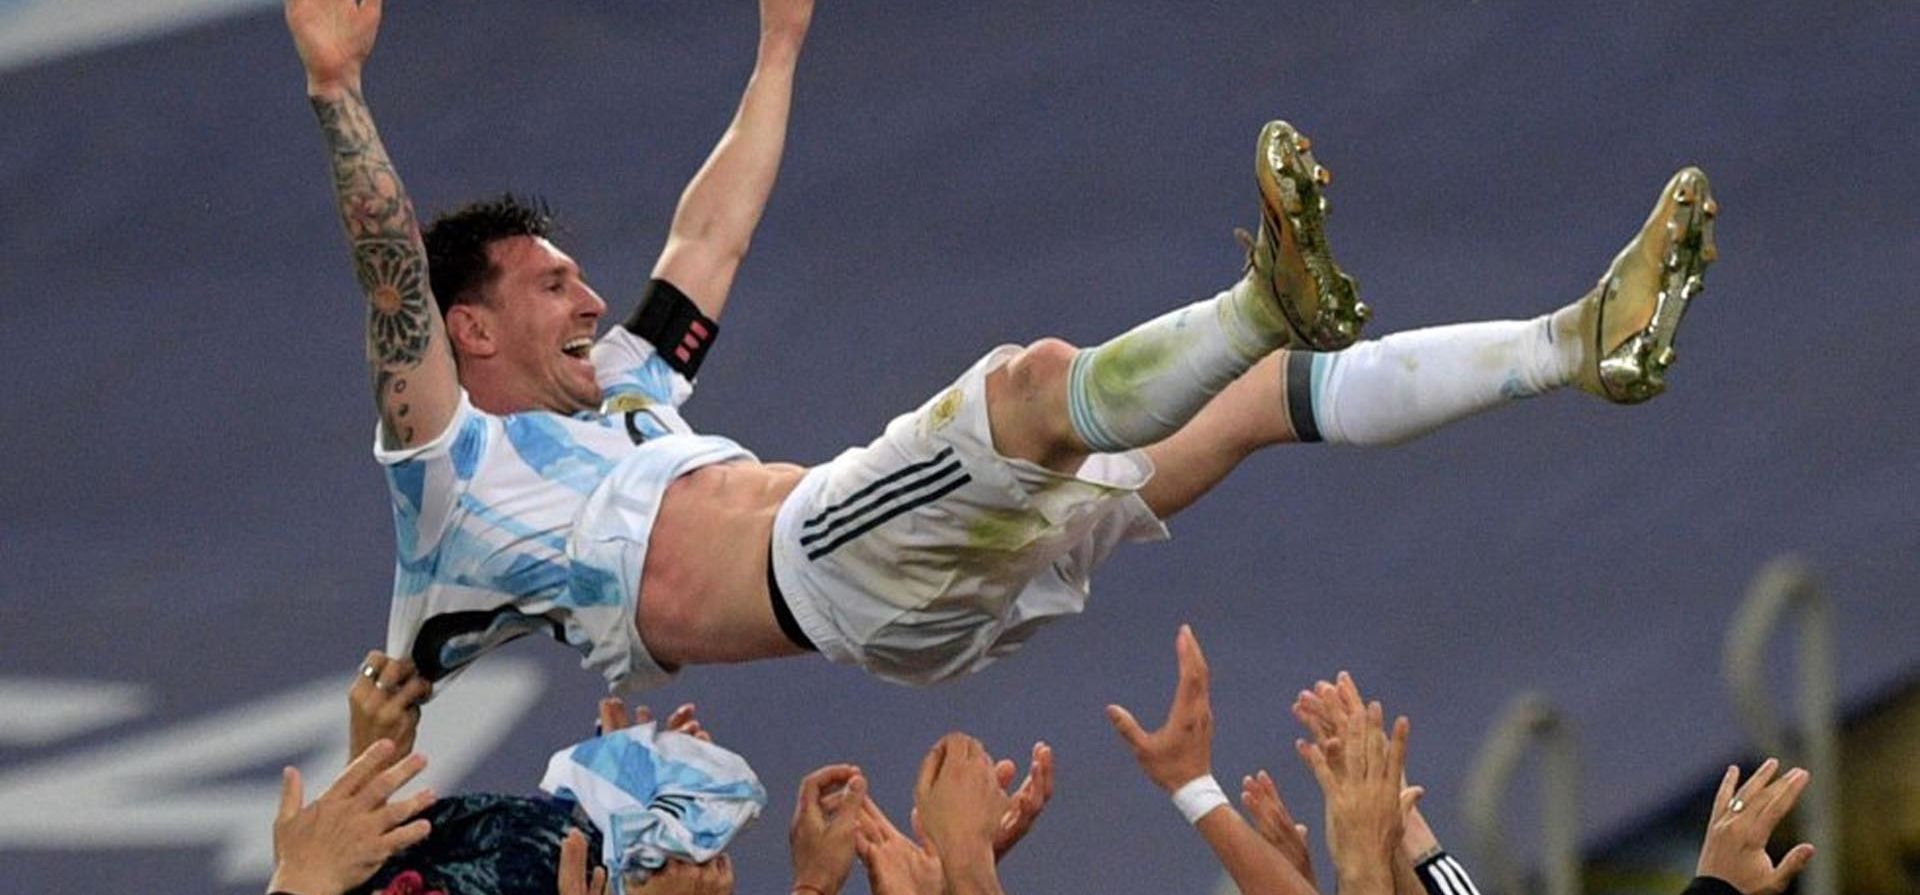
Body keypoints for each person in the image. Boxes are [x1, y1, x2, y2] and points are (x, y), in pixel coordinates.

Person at [286, 0, 1720, 695]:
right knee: (1035, 382)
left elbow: (706, 239)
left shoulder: (627, 399)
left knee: (1250, 410)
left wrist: (779, 46)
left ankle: (1567, 344)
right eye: (552, 286)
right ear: (469, 327)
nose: (590, 299)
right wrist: (338, 88)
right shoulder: (448, 472)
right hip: (832, 574)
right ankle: (1260, 299)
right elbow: (387, 288)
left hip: (908, 573)